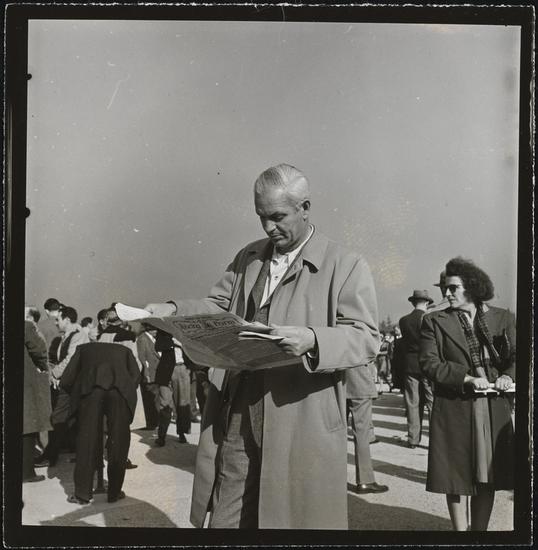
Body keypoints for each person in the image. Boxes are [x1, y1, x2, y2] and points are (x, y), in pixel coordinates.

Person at [144, 164, 379, 529]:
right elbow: (217, 306)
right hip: (239, 410)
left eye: (277, 217)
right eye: (261, 217)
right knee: (226, 518)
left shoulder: (346, 264)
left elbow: (366, 337)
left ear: (305, 207)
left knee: (289, 522)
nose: (268, 227)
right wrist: (173, 310)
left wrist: (312, 339)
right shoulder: (248, 257)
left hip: (299, 417)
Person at [420, 257, 515, 531]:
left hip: (493, 407)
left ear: (472, 287)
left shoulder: (504, 318)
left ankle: (479, 534)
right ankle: (461, 536)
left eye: (453, 288)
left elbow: (519, 356)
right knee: (456, 478)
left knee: (488, 477)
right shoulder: (433, 321)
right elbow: (429, 363)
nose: (447, 293)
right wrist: (468, 378)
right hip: (455, 406)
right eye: (445, 288)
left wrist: (508, 375)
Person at [60, 341, 141, 504]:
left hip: (90, 391)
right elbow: (136, 376)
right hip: (119, 391)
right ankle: (114, 493)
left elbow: (66, 380)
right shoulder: (125, 350)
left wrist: (79, 392)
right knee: (119, 440)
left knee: (86, 440)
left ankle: (82, 494)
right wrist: (124, 388)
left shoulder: (82, 349)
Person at [35, 306, 89, 467]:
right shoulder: (66, 336)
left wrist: (54, 374)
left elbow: (70, 359)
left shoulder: (78, 335)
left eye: (58, 320)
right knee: (68, 417)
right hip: (69, 383)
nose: (56, 323)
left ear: (67, 319)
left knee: (58, 417)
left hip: (75, 384)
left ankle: (51, 455)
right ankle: (68, 450)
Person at [399, 290, 434, 449]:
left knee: (412, 402)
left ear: (413, 302)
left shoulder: (404, 320)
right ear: (426, 303)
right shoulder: (428, 319)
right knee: (431, 402)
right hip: (427, 364)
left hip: (410, 365)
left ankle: (413, 439)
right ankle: (435, 438)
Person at [346, 364, 388, 494]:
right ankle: (365, 480)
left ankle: (334, 479)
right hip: (359, 381)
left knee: (336, 434)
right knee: (362, 434)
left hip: (337, 384)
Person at [23, 320, 52, 483]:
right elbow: (39, 350)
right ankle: (27, 472)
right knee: (27, 426)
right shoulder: (25, 326)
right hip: (24, 383)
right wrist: (44, 367)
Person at [135, 330, 160, 431]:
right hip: (150, 373)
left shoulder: (152, 338)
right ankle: (150, 422)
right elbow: (142, 358)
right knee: (149, 399)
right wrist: (146, 374)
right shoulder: (143, 339)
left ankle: (155, 421)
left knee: (155, 398)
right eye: (154, 329)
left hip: (155, 372)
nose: (156, 331)